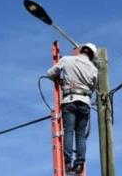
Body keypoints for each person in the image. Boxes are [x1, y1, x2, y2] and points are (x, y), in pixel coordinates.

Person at [47, 43, 98, 174]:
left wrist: (59, 80)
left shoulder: (67, 60)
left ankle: (68, 162)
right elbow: (93, 88)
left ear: (81, 50)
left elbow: (50, 73)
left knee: (68, 131)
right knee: (80, 134)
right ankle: (80, 164)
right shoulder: (93, 69)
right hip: (85, 102)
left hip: (69, 100)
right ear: (91, 55)